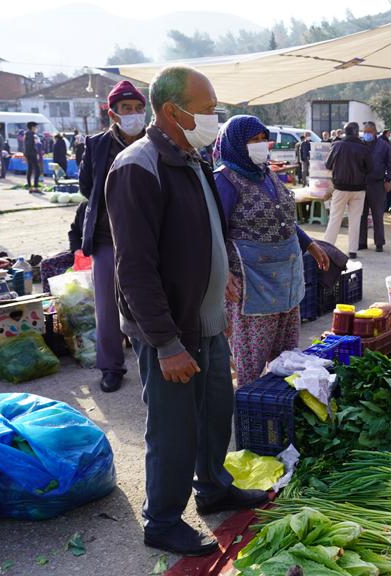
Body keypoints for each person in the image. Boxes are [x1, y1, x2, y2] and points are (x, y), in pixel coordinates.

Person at [105, 65, 269, 557]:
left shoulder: (193, 158)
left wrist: (226, 276)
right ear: (173, 111)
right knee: (174, 429)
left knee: (215, 412)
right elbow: (135, 268)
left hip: (209, 319)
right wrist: (167, 343)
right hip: (172, 329)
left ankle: (214, 487)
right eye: (208, 109)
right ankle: (163, 521)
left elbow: (209, 231)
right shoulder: (139, 166)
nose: (216, 118)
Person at [213, 115, 330, 387]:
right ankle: (250, 411)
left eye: (263, 139)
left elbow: (284, 220)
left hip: (285, 278)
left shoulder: (267, 174)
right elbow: (211, 231)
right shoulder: (225, 180)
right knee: (252, 361)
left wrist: (310, 244)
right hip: (253, 282)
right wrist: (221, 273)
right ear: (236, 144)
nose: (261, 145)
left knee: (285, 357)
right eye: (253, 140)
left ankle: (277, 406)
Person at [78, 79, 148, 394]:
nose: (133, 114)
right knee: (106, 306)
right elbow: (86, 187)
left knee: (150, 301)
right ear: (113, 114)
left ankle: (157, 362)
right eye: (126, 109)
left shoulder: (155, 143)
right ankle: (111, 367)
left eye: (137, 109)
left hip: (149, 238)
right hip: (107, 237)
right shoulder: (96, 145)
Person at [324, 121, 372, 258]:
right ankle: (352, 251)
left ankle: (328, 248)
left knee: (335, 218)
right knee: (355, 220)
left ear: (345, 132)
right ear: (357, 132)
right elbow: (370, 168)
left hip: (340, 188)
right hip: (359, 190)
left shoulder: (337, 145)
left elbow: (328, 165)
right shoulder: (364, 148)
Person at [359, 121, 391, 252]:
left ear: (374, 132)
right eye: (365, 132)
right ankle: (361, 242)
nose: (366, 134)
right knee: (361, 215)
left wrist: (388, 179)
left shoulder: (383, 146)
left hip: (377, 184)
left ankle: (379, 243)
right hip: (361, 185)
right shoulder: (360, 145)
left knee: (377, 215)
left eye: (368, 132)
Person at [24, 121, 42, 190]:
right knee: (37, 171)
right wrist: (27, 155)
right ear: (32, 127)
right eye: (36, 127)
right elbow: (28, 146)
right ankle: (35, 187)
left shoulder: (30, 134)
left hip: (31, 154)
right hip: (31, 155)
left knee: (30, 170)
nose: (36, 128)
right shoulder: (30, 134)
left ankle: (30, 187)